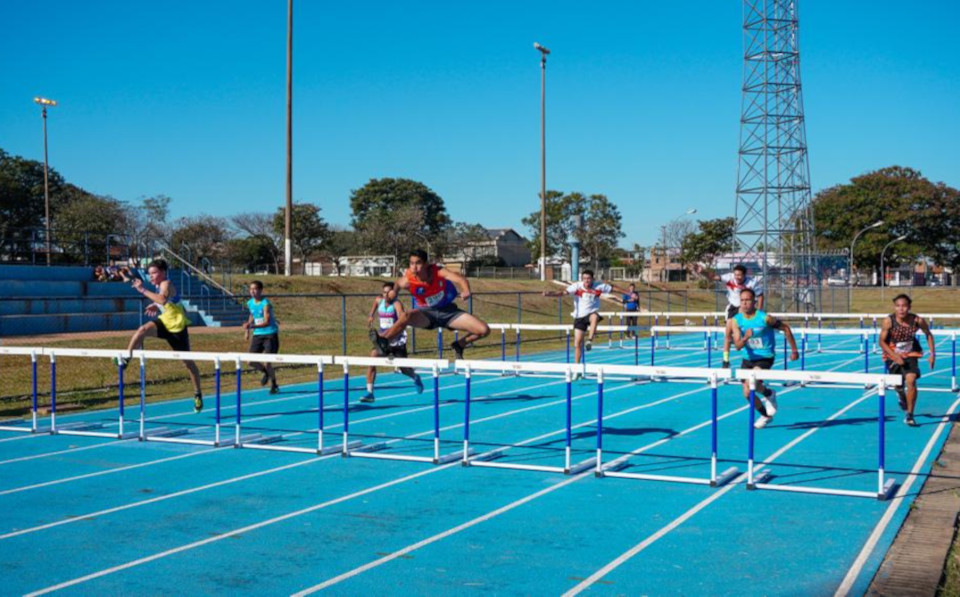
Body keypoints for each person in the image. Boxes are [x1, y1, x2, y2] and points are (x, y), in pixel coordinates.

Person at [370, 249, 490, 360]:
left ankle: (459, 345)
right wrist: (393, 292)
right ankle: (384, 342)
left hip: (448, 312)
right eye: (411, 263)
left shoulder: (438, 271)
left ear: (426, 264)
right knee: (406, 316)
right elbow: (397, 284)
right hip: (426, 313)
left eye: (418, 263)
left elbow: (460, 279)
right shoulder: (408, 278)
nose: (414, 267)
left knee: (483, 330)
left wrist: (466, 290)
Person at [117, 259, 204, 412]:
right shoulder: (159, 285)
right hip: (164, 323)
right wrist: (155, 305)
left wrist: (143, 290)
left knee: (188, 363)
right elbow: (166, 302)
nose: (151, 277)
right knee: (142, 329)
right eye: (149, 274)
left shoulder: (166, 284)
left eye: (154, 273)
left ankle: (197, 393)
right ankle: (126, 358)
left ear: (163, 272)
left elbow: (163, 299)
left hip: (177, 328)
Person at [728, 288, 799, 429]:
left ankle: (768, 394)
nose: (744, 303)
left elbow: (785, 328)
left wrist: (794, 350)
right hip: (747, 358)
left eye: (747, 300)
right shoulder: (736, 321)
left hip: (765, 357)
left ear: (754, 301)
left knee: (751, 382)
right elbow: (737, 346)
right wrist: (746, 337)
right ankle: (766, 411)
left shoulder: (764, 318)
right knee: (747, 393)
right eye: (742, 300)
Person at [543, 270, 633, 371]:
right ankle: (577, 368)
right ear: (582, 279)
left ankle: (590, 340)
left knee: (594, 316)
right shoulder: (576, 286)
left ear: (592, 279)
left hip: (591, 313)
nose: (586, 281)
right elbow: (563, 292)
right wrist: (550, 294)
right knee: (577, 344)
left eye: (588, 279)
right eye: (584, 278)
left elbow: (613, 288)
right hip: (579, 317)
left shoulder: (598, 286)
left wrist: (629, 293)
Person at [361, 282, 424, 403]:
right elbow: (375, 303)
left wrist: (401, 318)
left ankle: (415, 377)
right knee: (372, 359)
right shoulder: (379, 300)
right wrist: (371, 315)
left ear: (393, 293)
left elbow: (401, 317)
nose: (386, 295)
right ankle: (370, 392)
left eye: (389, 292)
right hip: (382, 339)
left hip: (396, 339)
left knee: (404, 369)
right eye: (384, 292)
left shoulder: (396, 304)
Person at [878, 294, 935, 427]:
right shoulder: (888, 321)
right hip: (892, 353)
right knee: (898, 384)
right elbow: (881, 341)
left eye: (904, 306)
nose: (901, 309)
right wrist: (894, 356)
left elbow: (928, 334)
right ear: (895, 307)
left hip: (911, 353)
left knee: (911, 379)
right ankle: (900, 393)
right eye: (898, 306)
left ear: (909, 307)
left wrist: (932, 354)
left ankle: (910, 415)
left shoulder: (917, 320)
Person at [714, 264, 764, 368]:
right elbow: (713, 277)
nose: (737, 277)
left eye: (740, 275)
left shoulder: (752, 283)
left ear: (745, 275)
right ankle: (725, 359)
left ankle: (742, 339)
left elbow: (760, 296)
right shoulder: (729, 278)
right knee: (727, 333)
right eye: (736, 275)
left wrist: (759, 312)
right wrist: (702, 272)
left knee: (749, 334)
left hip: (747, 309)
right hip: (733, 308)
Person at [243, 280, 280, 395]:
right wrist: (247, 330)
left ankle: (274, 384)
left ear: (260, 290)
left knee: (268, 362)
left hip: (270, 334)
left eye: (255, 289)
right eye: (250, 289)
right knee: (249, 361)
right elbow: (252, 315)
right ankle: (267, 373)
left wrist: (252, 325)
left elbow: (267, 321)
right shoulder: (249, 303)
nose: (252, 291)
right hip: (258, 335)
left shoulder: (265, 304)